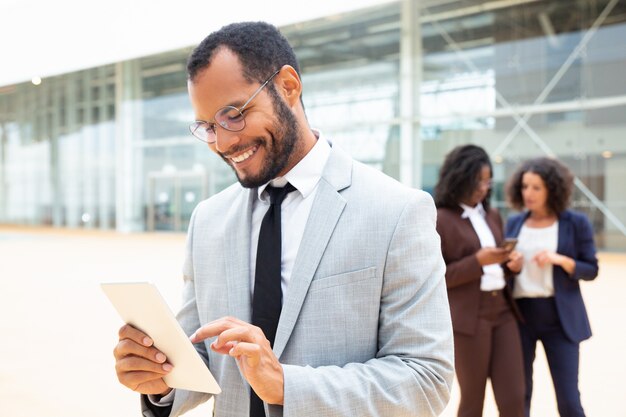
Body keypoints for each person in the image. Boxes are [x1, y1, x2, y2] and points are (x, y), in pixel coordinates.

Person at [112, 21, 454, 417]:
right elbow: (202, 354)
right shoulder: (207, 220)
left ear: (288, 87)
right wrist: (158, 378)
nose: (223, 143)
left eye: (234, 114)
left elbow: (426, 379)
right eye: (207, 126)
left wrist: (288, 386)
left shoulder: (397, 211)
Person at [434, 145, 525, 417]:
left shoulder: (492, 215)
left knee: (514, 398)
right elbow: (437, 277)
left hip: (503, 312)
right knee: (473, 400)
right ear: (459, 178)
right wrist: (478, 262)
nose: (484, 188)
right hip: (469, 319)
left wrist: (511, 266)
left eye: (488, 181)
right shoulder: (440, 219)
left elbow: (496, 263)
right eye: (478, 181)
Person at [505, 157, 598, 417]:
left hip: (561, 319)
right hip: (521, 317)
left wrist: (561, 260)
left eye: (536, 187)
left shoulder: (575, 223)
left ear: (552, 189)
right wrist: (511, 265)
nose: (529, 194)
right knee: (519, 394)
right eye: (525, 186)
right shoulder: (514, 223)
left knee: (568, 399)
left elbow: (591, 269)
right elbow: (502, 272)